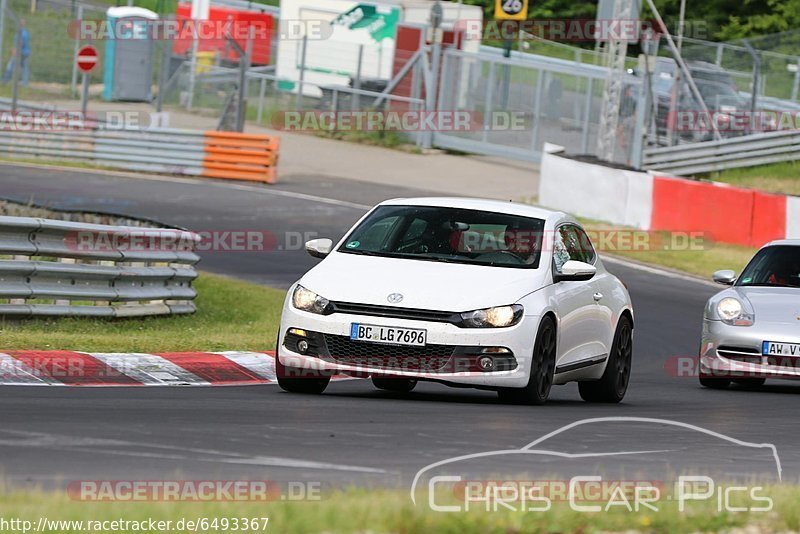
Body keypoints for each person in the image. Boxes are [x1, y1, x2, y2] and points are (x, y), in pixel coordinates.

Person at [3, 19, 31, 86]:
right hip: (25, 52)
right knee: (24, 67)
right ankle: (25, 82)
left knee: (11, 65)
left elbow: (21, 43)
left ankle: (5, 80)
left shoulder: (21, 32)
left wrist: (16, 50)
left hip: (20, 52)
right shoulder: (25, 32)